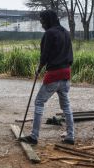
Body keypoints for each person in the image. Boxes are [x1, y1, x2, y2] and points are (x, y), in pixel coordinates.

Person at [20, 10, 74, 145]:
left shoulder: (49, 34)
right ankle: (70, 136)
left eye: (42, 21)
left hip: (54, 75)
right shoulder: (66, 32)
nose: (41, 23)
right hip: (66, 74)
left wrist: (39, 69)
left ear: (48, 20)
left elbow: (44, 55)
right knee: (66, 106)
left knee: (39, 102)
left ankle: (34, 137)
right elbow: (70, 55)